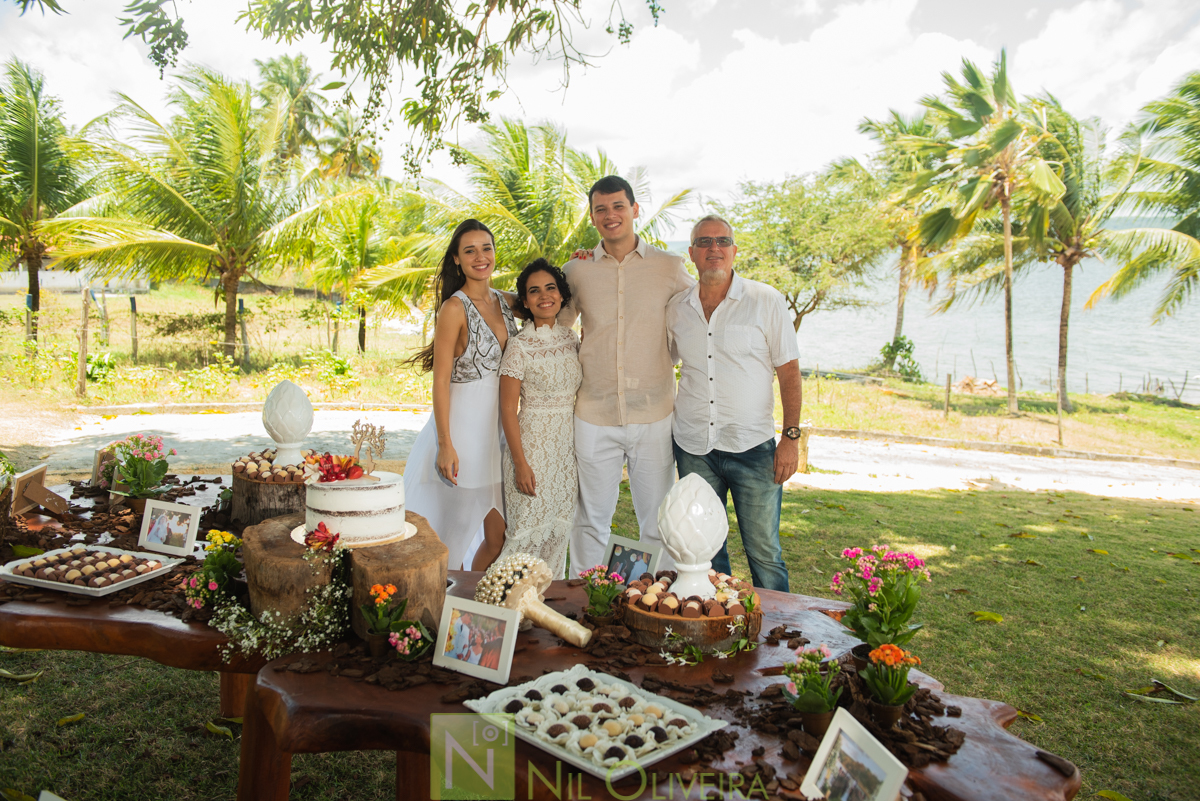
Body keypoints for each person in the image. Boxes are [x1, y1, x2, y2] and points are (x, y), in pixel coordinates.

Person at [558, 175, 695, 576]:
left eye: (618, 206)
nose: (610, 215)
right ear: (592, 216)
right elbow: (555, 322)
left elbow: (699, 311)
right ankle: (584, 595)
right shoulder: (577, 270)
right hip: (593, 412)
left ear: (635, 209)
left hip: (654, 412)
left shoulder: (669, 267)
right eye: (600, 209)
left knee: (656, 520)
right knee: (590, 519)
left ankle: (652, 595)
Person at [666, 214, 802, 591]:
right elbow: (661, 361)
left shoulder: (765, 300)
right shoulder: (676, 308)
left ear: (734, 251)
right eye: (705, 242)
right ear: (691, 253)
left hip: (752, 448)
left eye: (722, 241)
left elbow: (790, 372)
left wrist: (790, 438)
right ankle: (717, 619)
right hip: (693, 447)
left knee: (765, 553)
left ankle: (777, 624)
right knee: (705, 551)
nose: (714, 248)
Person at [403, 220, 520, 571]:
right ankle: (439, 599)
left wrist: (579, 261)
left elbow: (550, 299)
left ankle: (470, 602)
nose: (480, 257)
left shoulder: (506, 302)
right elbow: (440, 381)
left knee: (500, 538)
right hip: (463, 438)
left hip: (498, 438)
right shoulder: (454, 309)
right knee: (449, 537)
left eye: (486, 248)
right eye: (470, 250)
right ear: (457, 259)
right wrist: (445, 444)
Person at [496, 259, 581, 579]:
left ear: (561, 295)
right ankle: (505, 601)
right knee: (525, 534)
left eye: (550, 288)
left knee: (558, 534)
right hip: (531, 450)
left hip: (565, 454)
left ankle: (545, 602)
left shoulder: (571, 339)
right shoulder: (519, 346)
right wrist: (520, 464)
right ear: (526, 301)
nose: (544, 296)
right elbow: (508, 409)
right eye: (534, 291)